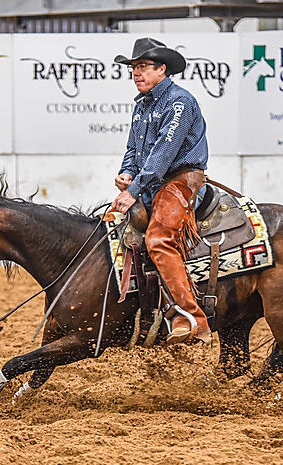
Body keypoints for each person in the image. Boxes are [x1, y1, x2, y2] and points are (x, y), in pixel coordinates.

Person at [111, 37, 211, 345]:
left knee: (157, 239)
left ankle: (191, 317)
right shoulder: (141, 106)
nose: (136, 73)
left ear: (162, 69)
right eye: (133, 67)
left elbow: (163, 153)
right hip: (153, 181)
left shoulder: (179, 102)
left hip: (181, 180)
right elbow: (133, 149)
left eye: (143, 66)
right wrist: (127, 172)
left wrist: (134, 188)